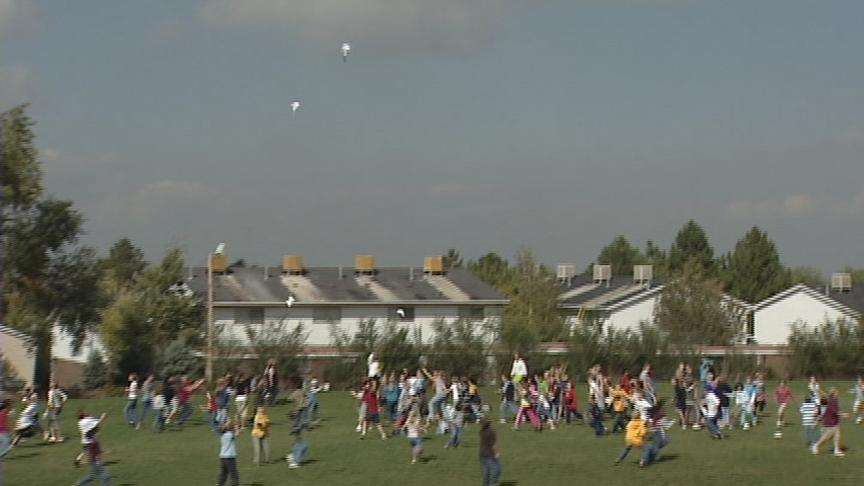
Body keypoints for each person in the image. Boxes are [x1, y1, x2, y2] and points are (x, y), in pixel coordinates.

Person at [75, 411, 110, 485]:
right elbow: (96, 425)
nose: (87, 413)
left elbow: (95, 428)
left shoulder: (82, 422)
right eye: (85, 413)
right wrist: (102, 418)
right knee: (101, 474)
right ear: (83, 416)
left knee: (94, 474)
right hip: (92, 446)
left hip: (92, 446)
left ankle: (80, 484)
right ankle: (80, 484)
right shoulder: (86, 421)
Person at [811, 388, 846, 457]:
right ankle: (816, 445)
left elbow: (835, 410)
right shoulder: (833, 401)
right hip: (830, 421)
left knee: (837, 434)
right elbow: (834, 411)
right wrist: (843, 414)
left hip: (833, 421)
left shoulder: (833, 400)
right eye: (836, 392)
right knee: (827, 436)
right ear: (834, 394)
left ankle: (836, 450)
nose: (837, 394)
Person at [217, 418, 241, 485]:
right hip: (229, 458)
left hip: (222, 457)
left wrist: (235, 426)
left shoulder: (222, 435)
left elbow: (235, 432)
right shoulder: (229, 435)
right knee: (234, 473)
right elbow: (237, 434)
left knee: (223, 473)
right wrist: (236, 427)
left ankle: (219, 484)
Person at [479, 418, 500, 486]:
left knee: (486, 471)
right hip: (490, 454)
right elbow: (493, 444)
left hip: (482, 453)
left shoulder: (481, 431)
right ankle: (493, 483)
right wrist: (496, 453)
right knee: (497, 469)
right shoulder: (492, 432)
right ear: (489, 424)